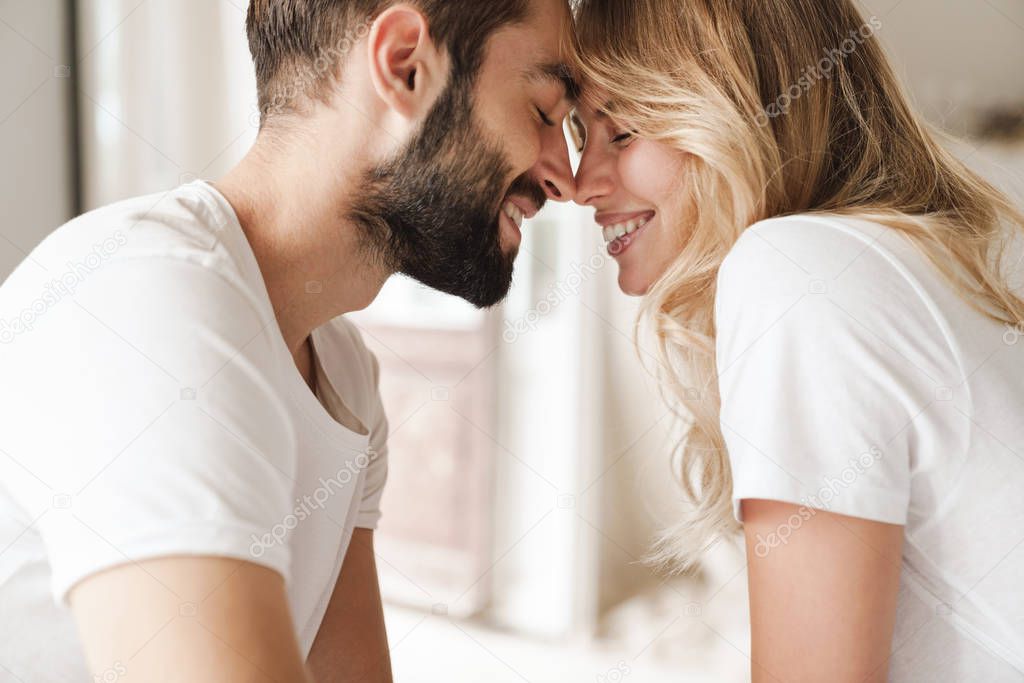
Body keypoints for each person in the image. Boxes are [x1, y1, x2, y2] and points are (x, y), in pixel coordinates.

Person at [0, 1, 578, 681]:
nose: (563, 176)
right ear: (404, 66)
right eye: (543, 112)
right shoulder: (145, 298)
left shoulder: (344, 378)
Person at [569, 0, 1024, 680]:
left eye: (623, 131)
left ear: (738, 111)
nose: (582, 186)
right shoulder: (917, 260)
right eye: (581, 136)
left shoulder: (793, 269)